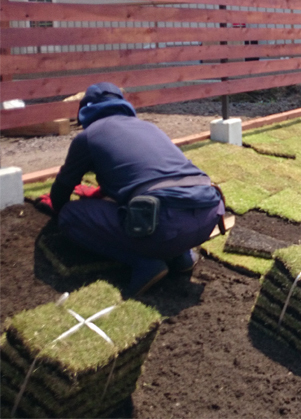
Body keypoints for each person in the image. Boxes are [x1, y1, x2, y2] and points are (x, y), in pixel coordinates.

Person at [37, 82, 225, 296]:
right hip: (208, 213)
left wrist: (59, 208)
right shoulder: (148, 127)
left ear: (85, 110)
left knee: (70, 215)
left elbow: (63, 186)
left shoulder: (88, 137)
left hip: (163, 225)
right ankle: (181, 256)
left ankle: (145, 264)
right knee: (157, 203)